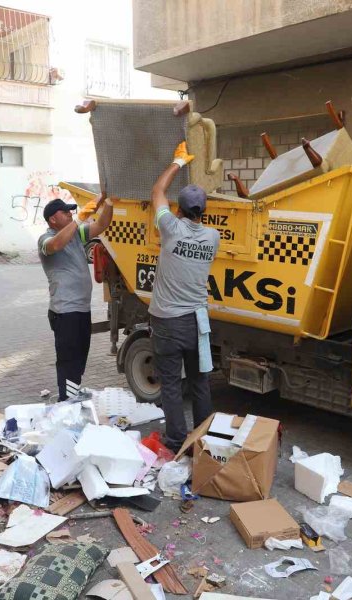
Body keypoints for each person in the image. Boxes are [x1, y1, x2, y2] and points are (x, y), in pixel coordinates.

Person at [149, 142, 221, 453]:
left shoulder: (171, 229)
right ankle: (201, 438)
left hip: (167, 322)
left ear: (178, 209)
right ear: (204, 211)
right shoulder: (213, 237)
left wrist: (177, 161)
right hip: (197, 322)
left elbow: (156, 191)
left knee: (171, 383)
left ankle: (177, 439)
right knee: (199, 382)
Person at [39, 192, 113, 401]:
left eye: (72, 212)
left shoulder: (76, 235)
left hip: (81, 309)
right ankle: (67, 402)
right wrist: (80, 218)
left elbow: (102, 225)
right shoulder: (45, 240)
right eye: (65, 212)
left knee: (80, 358)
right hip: (65, 312)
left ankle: (73, 394)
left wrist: (107, 202)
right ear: (53, 219)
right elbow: (55, 245)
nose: (71, 214)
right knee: (68, 361)